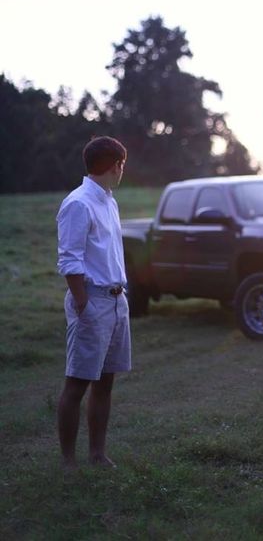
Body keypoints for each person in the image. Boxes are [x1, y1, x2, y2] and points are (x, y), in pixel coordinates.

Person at [56, 136, 131, 469]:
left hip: (117, 302)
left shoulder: (109, 200)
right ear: (115, 165)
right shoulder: (79, 203)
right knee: (77, 383)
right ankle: (69, 461)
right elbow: (70, 260)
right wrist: (83, 305)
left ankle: (98, 454)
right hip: (93, 302)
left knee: (105, 382)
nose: (122, 170)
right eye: (122, 165)